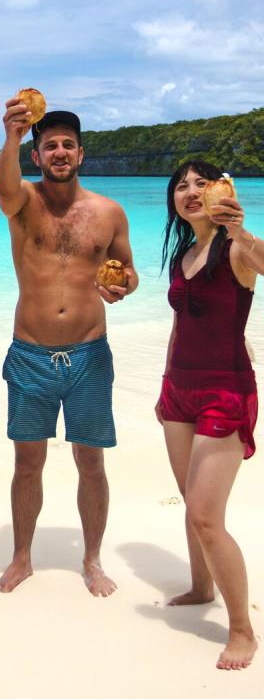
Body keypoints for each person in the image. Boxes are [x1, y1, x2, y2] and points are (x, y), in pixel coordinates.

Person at [0, 103, 138, 595]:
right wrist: (11, 135)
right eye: (49, 145)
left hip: (89, 356)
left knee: (91, 463)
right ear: (37, 155)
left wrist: (125, 285)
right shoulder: (22, 203)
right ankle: (21, 557)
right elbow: (2, 181)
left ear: (81, 154)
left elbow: (128, 270)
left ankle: (93, 559)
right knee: (27, 464)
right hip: (31, 355)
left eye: (67, 145)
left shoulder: (108, 212)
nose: (59, 152)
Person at [156, 160, 262, 670]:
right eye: (182, 185)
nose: (191, 191)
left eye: (201, 183)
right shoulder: (184, 253)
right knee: (189, 501)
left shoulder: (234, 248)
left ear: (222, 191)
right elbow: (182, 323)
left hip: (225, 389)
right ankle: (201, 587)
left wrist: (240, 229)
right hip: (179, 390)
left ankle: (242, 630)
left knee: (205, 514)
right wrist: (165, 385)